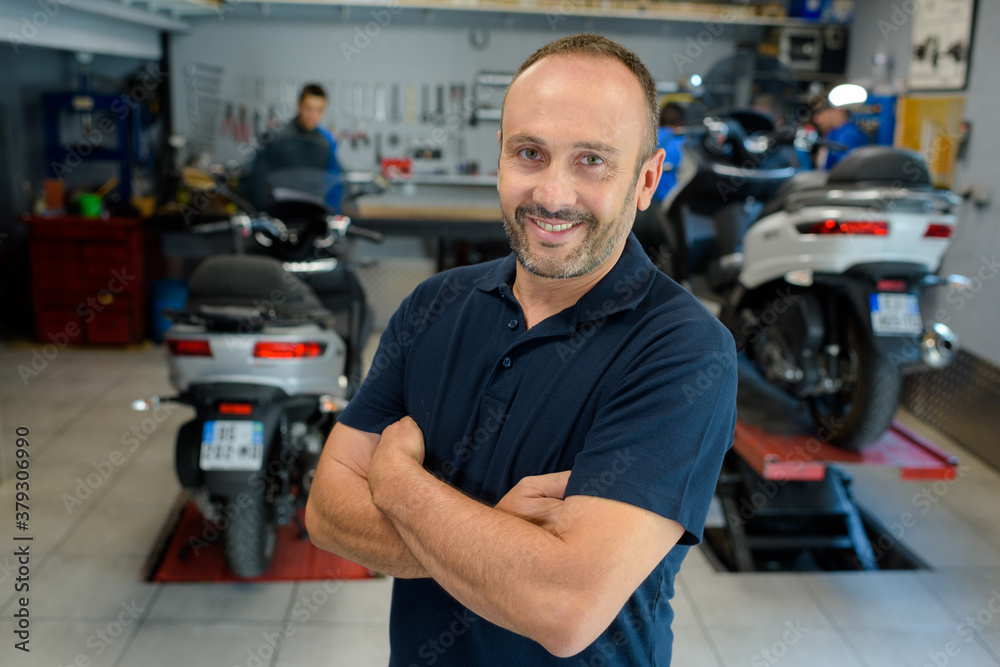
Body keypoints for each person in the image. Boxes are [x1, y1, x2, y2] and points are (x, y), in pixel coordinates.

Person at [305, 33, 737, 666]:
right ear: (500, 158)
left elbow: (562, 608)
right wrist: (499, 533)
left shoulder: (685, 352)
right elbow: (326, 510)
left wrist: (397, 483)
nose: (552, 195)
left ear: (646, 180)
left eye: (592, 160)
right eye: (530, 153)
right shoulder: (433, 306)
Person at [241, 83, 344, 211]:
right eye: (308, 108)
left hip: (312, 216)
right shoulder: (277, 137)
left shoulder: (325, 144)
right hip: (278, 213)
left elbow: (334, 185)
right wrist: (264, 214)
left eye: (319, 110)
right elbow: (257, 179)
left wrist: (333, 214)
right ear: (299, 105)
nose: (313, 115)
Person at [811, 99, 870, 170]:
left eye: (820, 113)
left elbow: (844, 172)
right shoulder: (833, 133)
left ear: (838, 112)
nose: (816, 119)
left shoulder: (847, 136)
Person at [654, 102, 687, 201]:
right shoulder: (685, 142)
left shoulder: (649, 139)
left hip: (646, 201)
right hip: (672, 202)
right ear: (681, 121)